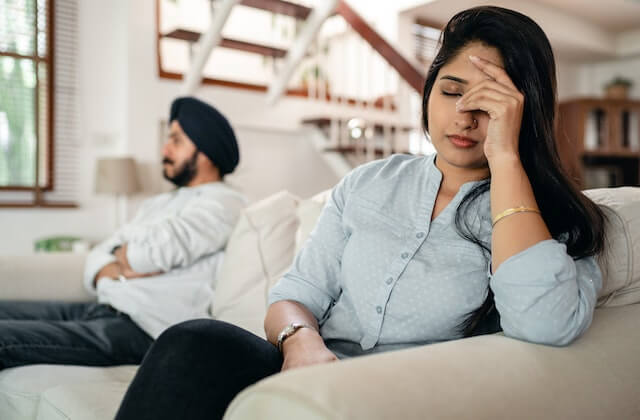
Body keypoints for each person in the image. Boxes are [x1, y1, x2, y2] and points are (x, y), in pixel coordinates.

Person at [114, 6, 607, 420]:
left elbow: (546, 324)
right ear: (429, 92)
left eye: (490, 104)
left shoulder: (553, 219)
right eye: (452, 91)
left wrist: (505, 158)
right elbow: (295, 294)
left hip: (395, 397)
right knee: (193, 342)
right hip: (306, 368)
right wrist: (299, 340)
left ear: (524, 110)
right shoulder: (368, 182)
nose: (464, 116)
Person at [0, 96, 246, 370]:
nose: (164, 149)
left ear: (207, 152)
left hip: (143, 329)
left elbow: (146, 255)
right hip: (102, 308)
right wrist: (120, 266)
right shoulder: (159, 203)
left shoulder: (226, 203)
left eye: (176, 141)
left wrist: (125, 255)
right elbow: (98, 255)